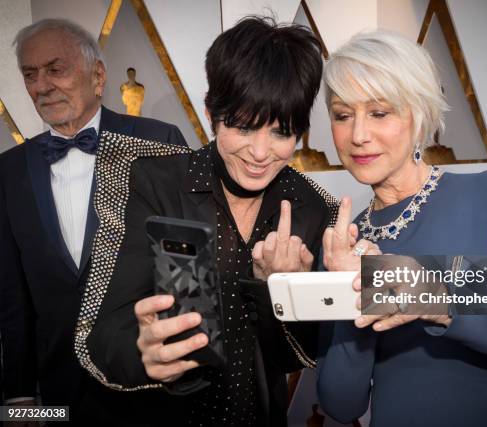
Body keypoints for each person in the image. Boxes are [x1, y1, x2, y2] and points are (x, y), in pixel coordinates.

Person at [77, 17, 337, 427]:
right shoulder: (150, 180)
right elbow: (100, 330)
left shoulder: (311, 206)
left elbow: (296, 356)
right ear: (211, 113)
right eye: (243, 126)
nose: (260, 152)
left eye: (281, 131)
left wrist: (282, 292)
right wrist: (142, 351)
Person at [316, 31, 487, 426]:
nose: (357, 135)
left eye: (379, 112)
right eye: (342, 115)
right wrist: (354, 296)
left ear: (418, 113)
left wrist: (440, 301)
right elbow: (342, 404)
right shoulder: (344, 246)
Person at [0, 18, 187, 423]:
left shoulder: (159, 142)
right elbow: (13, 298)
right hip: (58, 396)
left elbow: (185, 270)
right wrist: (17, 399)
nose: (42, 86)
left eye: (56, 68)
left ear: (98, 75)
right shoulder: (8, 170)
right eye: (30, 75)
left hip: (151, 388)